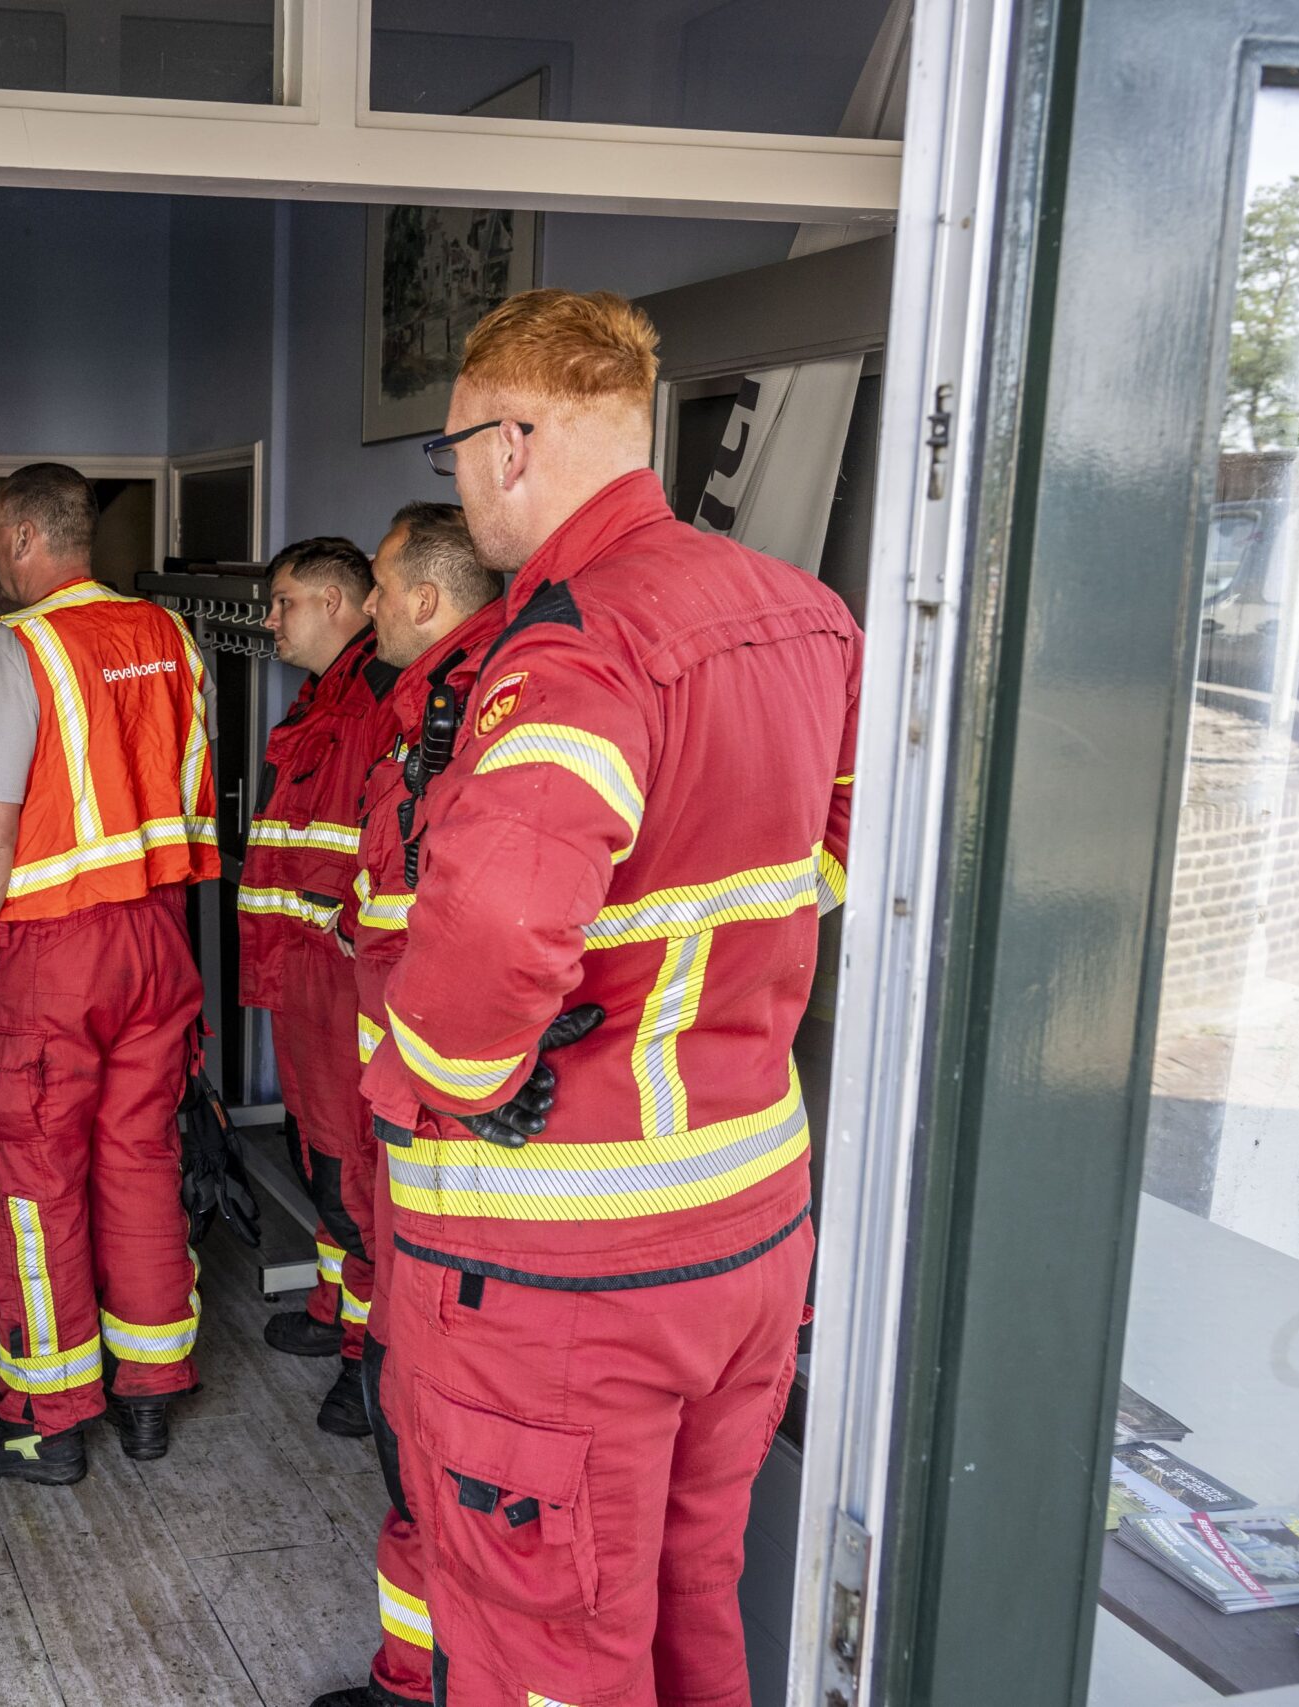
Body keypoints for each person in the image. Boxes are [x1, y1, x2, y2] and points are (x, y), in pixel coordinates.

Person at [366, 290, 860, 1707]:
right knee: (688, 1605)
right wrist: (687, 982)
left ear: (513, 441)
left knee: (546, 1651)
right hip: (751, 1232)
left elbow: (500, 931)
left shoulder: (575, 642)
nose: (458, 479)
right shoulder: (804, 612)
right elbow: (836, 849)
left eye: (455, 448)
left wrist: (448, 1078)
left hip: (569, 1265)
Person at [0, 462, 219, 1485]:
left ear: (20, 535)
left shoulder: (19, 648)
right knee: (138, 1165)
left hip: (51, 954)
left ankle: (45, 1419)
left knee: (35, 1185)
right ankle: (148, 1392)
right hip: (157, 941)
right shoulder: (168, 637)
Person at [315, 501, 500, 1707]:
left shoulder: (475, 713)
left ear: (426, 598)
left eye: (378, 589)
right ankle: (413, 1671)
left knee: (435, 1416)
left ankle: (424, 1677)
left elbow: (465, 929)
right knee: (408, 1399)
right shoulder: (421, 710)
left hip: (455, 1130)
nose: (366, 609)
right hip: (414, 1108)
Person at [239, 535, 399, 1441]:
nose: (270, 620)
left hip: (345, 985)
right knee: (319, 1160)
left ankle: (366, 1366)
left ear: (339, 604)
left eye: (284, 602)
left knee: (354, 1177)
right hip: (305, 981)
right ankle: (338, 1309)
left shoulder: (380, 699)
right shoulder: (324, 694)